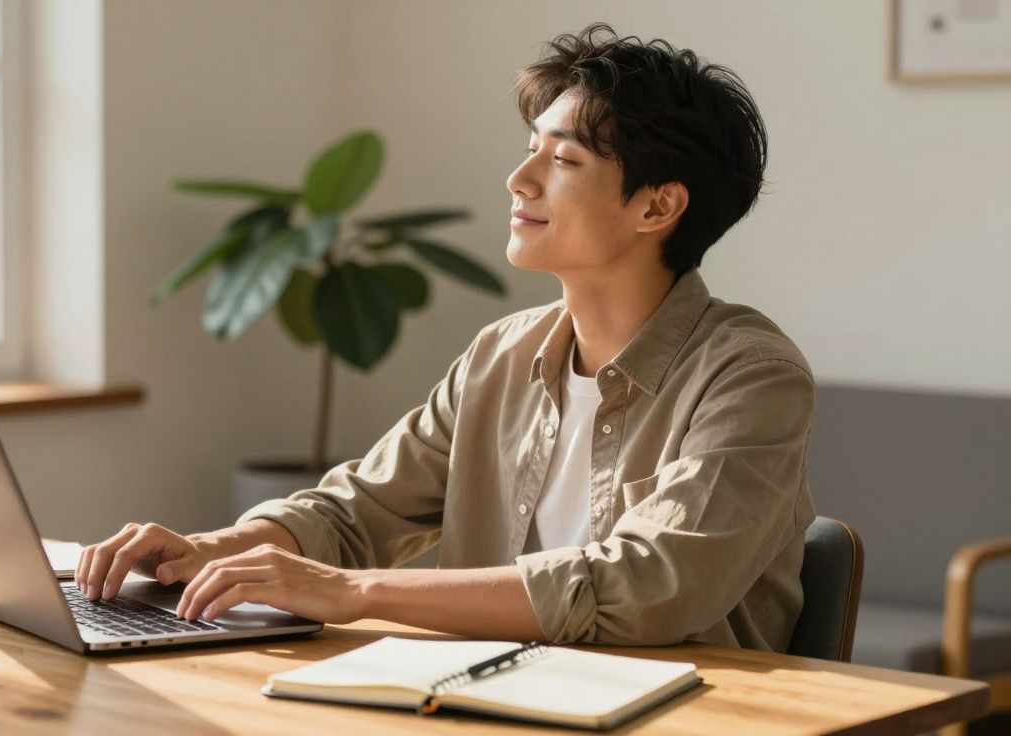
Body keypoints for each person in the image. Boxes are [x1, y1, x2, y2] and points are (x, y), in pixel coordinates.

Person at [76, 22, 816, 651]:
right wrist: (205, 550)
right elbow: (357, 510)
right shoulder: (503, 353)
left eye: (562, 160)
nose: (518, 179)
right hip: (480, 703)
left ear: (658, 207)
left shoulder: (751, 375)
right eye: (530, 147)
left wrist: (355, 592)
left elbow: (649, 583)